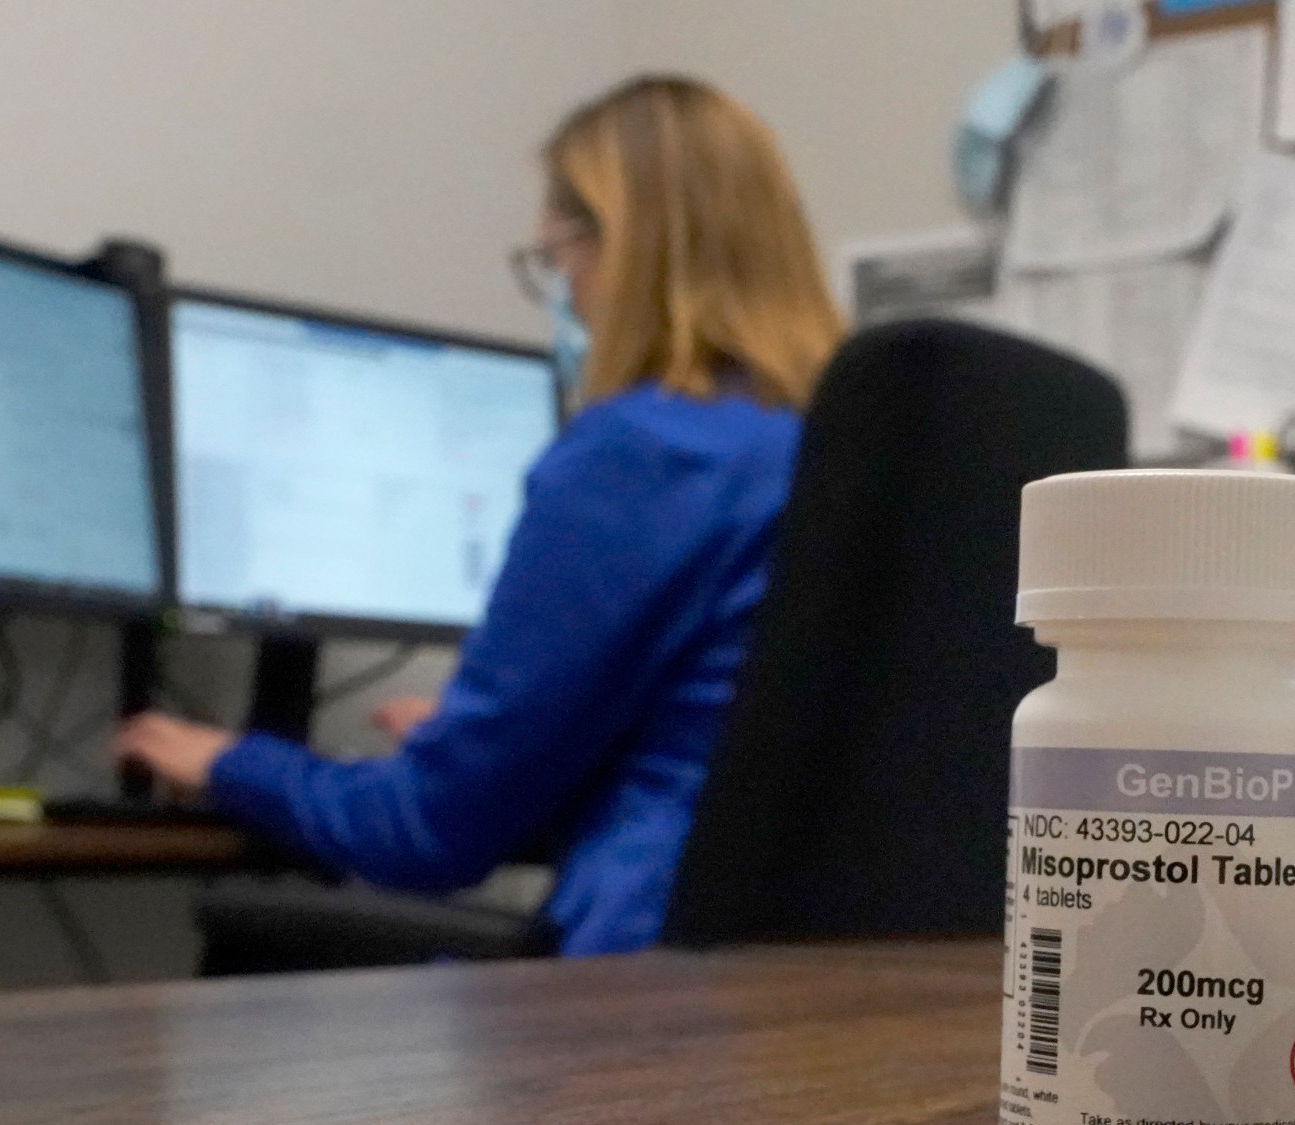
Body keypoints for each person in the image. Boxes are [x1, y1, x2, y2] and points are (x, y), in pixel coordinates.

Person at [116, 75, 844, 957]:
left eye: (561, 257)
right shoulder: (834, 447)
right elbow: (722, 756)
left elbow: (427, 834)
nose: (567, 296)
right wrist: (491, 744)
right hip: (823, 996)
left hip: (646, 1001)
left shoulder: (645, 450)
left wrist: (230, 763)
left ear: (628, 248)